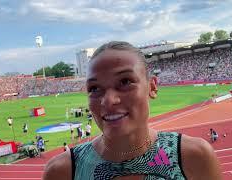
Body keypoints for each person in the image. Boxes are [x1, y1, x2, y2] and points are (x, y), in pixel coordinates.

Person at [43, 41, 222, 180]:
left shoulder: (194, 157)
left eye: (125, 82)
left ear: (152, 87)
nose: (108, 100)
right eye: (95, 88)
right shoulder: (62, 171)